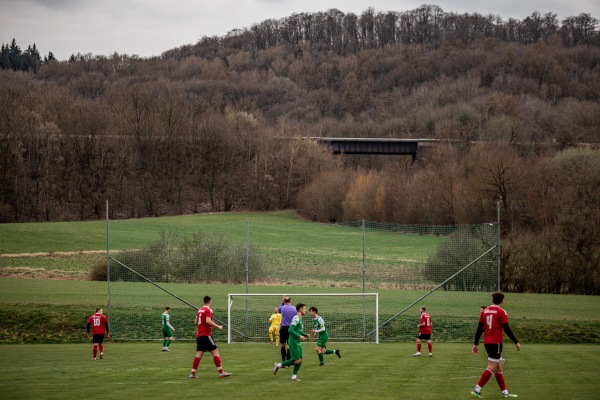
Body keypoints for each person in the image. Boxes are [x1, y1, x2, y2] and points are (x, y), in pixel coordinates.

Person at [471, 291, 520, 398]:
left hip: (487, 342)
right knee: (492, 366)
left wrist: (475, 344)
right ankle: (477, 389)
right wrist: (516, 341)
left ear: (492, 300)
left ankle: (505, 392)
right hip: (496, 342)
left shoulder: (484, 311)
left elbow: (479, 329)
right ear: (502, 301)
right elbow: (506, 328)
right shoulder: (501, 312)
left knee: (499, 367)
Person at [189, 295, 232, 379]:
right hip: (206, 335)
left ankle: (193, 373)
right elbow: (207, 321)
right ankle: (221, 373)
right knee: (215, 352)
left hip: (199, 335)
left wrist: (208, 322)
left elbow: (196, 322)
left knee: (199, 355)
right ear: (210, 301)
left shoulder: (199, 310)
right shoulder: (208, 310)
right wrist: (218, 326)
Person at [272, 303, 309, 381]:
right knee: (296, 360)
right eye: (304, 309)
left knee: (300, 359)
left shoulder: (300, 318)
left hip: (297, 342)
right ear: (300, 309)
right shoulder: (296, 318)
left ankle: (294, 376)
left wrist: (305, 335)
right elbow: (290, 330)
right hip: (293, 342)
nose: (305, 310)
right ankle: (278, 365)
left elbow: (298, 330)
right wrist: (300, 336)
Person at [278, 296, 297, 364]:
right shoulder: (294, 308)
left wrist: (282, 301)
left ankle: (283, 362)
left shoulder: (282, 307)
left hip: (283, 328)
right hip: (290, 328)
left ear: (284, 301)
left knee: (283, 345)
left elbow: (278, 311)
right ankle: (288, 363)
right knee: (289, 346)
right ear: (290, 301)